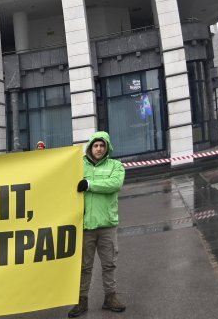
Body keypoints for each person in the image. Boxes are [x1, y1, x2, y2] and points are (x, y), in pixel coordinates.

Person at [69, 131, 126, 316]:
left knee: (109, 264)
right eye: (95, 145)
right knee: (84, 267)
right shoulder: (78, 166)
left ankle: (110, 297)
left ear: (107, 147)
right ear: (90, 147)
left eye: (102, 145)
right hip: (85, 225)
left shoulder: (116, 166)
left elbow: (115, 184)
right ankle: (81, 301)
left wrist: (89, 184)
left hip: (107, 224)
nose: (99, 149)